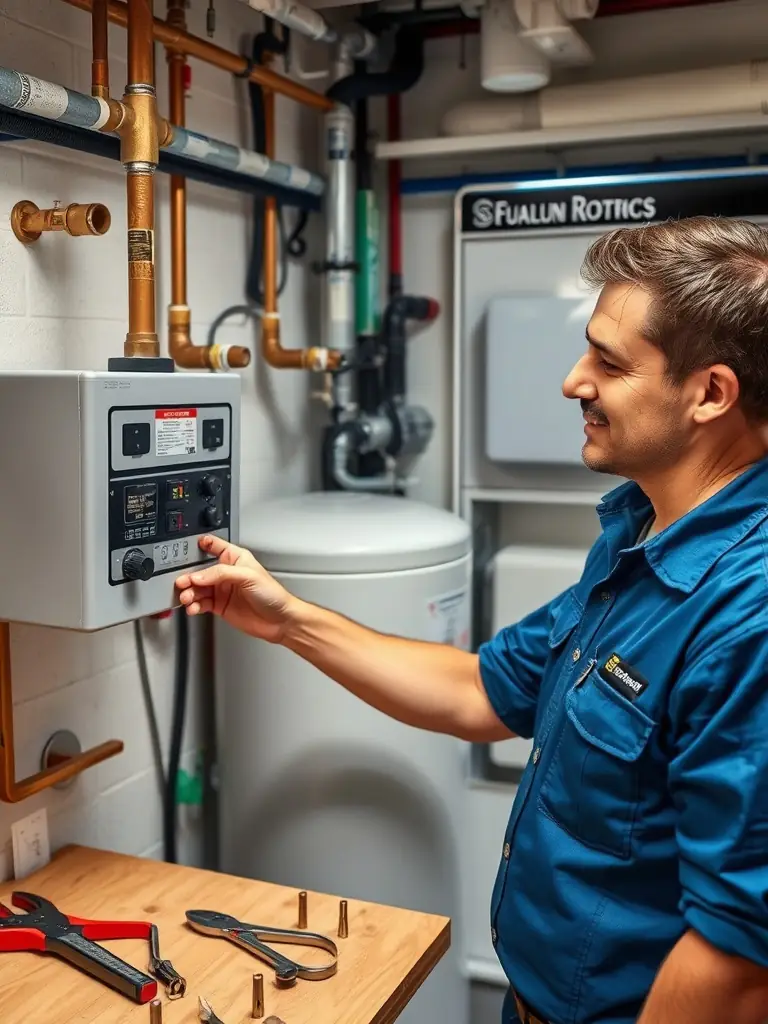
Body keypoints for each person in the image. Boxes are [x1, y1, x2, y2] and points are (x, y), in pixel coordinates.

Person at [175, 215, 768, 1024]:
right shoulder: (642, 534)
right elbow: (482, 691)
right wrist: (287, 620)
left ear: (710, 394)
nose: (574, 380)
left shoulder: (747, 617)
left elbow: (737, 962)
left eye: (610, 361)